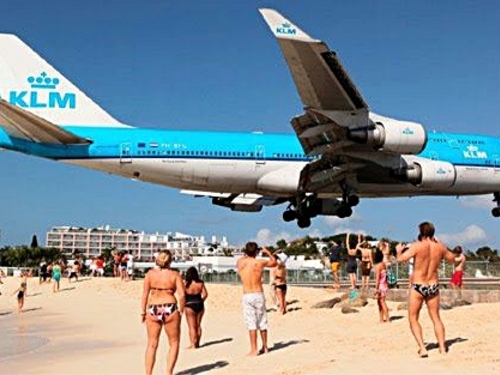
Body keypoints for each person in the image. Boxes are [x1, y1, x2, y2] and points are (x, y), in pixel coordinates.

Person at [396, 222, 455, 357]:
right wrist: (441, 244)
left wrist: (399, 250)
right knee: (436, 318)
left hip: (418, 285)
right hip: (433, 285)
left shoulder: (417, 246)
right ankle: (442, 348)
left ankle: (422, 348)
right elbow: (453, 259)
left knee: (413, 318)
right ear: (433, 232)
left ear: (421, 232)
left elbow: (401, 260)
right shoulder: (439, 247)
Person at [141, 250, 185, 375]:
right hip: (169, 307)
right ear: (170, 261)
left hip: (153, 308)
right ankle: (168, 372)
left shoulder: (150, 274)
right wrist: (181, 311)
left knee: (152, 344)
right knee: (174, 342)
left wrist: (143, 312)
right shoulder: (175, 274)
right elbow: (182, 295)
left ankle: (148, 373)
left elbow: (145, 294)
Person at [236, 242, 278, 356]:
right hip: (258, 293)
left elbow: (243, 258)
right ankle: (265, 347)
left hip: (247, 294)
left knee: (251, 323)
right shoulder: (259, 262)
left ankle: (254, 349)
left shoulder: (240, 262)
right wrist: (267, 252)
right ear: (256, 252)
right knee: (262, 321)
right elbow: (275, 262)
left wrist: (250, 252)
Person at [184, 266, 208, 349]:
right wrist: (201, 301)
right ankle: (197, 343)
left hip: (189, 305)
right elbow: (205, 294)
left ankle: (193, 344)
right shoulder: (200, 283)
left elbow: (182, 296)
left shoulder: (186, 284)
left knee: (191, 326)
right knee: (198, 325)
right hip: (199, 304)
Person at [374, 248, 389, 323]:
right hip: (385, 285)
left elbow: (377, 279)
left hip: (381, 285)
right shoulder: (383, 264)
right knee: (380, 302)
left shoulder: (378, 266)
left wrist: (376, 288)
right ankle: (381, 319)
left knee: (381, 302)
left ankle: (387, 318)